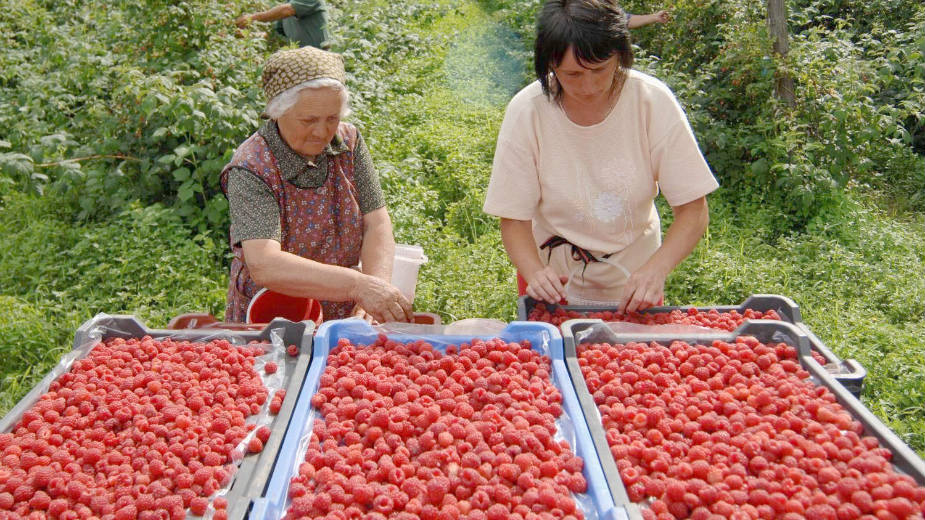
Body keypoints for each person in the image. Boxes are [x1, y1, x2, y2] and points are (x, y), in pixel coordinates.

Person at [483, 0, 718, 313]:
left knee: (633, 361)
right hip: (554, 284)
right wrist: (535, 272)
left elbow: (693, 209)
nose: (589, 86)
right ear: (550, 64)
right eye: (573, 74)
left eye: (600, 70)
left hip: (633, 282)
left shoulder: (650, 101)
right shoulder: (528, 111)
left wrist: (655, 270)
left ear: (620, 54)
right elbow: (513, 218)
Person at [220, 46, 413, 324]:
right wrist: (358, 286)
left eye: (332, 118)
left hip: (345, 311)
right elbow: (264, 264)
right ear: (277, 112)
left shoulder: (349, 141)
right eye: (309, 120)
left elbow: (377, 222)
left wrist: (376, 287)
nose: (322, 131)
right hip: (275, 317)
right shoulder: (252, 165)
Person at [234, 1, 330, 49]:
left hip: (320, 60)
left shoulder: (292, 7)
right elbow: (275, 37)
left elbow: (286, 11)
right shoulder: (288, 4)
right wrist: (250, 37)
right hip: (301, 62)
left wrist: (252, 18)